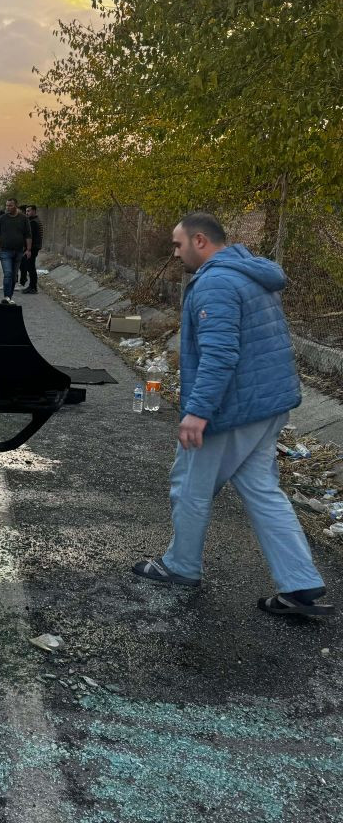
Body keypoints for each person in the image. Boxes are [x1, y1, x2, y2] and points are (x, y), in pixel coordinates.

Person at [132, 212, 333, 616]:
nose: (175, 252)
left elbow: (220, 354)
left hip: (234, 408)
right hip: (268, 404)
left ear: (200, 241)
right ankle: (301, 583)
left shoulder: (217, 283)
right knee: (262, 491)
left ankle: (180, 566)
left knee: (190, 483)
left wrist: (197, 412)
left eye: (178, 244)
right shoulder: (250, 273)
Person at [0, 198, 31, 305]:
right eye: (7, 205)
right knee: (8, 273)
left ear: (16, 206)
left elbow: (28, 235)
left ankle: (9, 296)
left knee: (13, 275)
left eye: (10, 205)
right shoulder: (1, 218)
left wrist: (28, 249)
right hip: (5, 251)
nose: (8, 207)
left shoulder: (23, 219)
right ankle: (6, 297)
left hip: (19, 251)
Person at [17, 205, 44, 293]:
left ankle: (33, 287)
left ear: (34, 211)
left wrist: (28, 249)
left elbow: (30, 237)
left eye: (29, 211)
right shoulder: (35, 220)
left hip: (32, 248)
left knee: (31, 268)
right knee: (29, 266)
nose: (27, 213)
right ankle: (31, 286)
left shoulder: (33, 222)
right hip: (34, 247)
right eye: (26, 211)